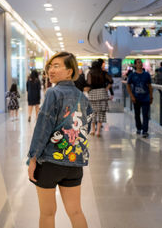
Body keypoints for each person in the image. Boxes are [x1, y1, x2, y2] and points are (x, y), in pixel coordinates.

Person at [27, 51, 93, 228]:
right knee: (76, 212)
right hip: (74, 163)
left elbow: (43, 128)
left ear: (70, 71)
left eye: (57, 66)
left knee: (47, 213)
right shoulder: (82, 97)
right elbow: (87, 127)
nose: (51, 70)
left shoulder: (53, 93)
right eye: (50, 66)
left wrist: (32, 158)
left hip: (50, 162)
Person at [126, 59, 153, 138]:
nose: (140, 64)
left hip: (145, 98)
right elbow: (128, 85)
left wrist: (151, 96)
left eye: (141, 62)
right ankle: (138, 128)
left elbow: (150, 86)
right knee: (137, 114)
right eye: (138, 63)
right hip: (136, 98)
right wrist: (131, 96)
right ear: (135, 65)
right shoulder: (132, 75)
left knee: (145, 115)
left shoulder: (147, 74)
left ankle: (145, 131)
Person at [87, 61, 111, 137]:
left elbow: (89, 83)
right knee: (101, 113)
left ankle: (93, 130)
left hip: (93, 94)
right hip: (102, 93)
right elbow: (111, 81)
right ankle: (98, 131)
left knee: (93, 112)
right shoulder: (104, 73)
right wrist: (106, 88)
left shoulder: (90, 73)